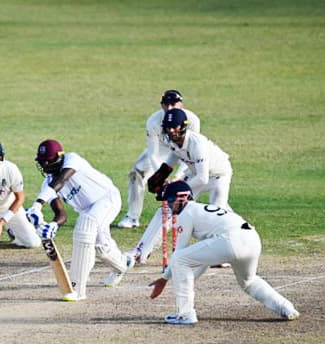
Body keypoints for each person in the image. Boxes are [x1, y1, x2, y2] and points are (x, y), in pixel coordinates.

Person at [147, 181, 300, 324]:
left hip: (230, 241)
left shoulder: (186, 213)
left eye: (169, 201)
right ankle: (286, 308)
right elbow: (203, 256)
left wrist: (164, 279)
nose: (168, 206)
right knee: (249, 281)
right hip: (252, 239)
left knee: (180, 259)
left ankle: (186, 314)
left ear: (178, 198)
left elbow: (179, 254)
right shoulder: (200, 210)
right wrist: (185, 277)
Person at [26, 139, 133, 302]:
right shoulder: (47, 184)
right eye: (42, 162)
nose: (45, 165)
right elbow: (61, 214)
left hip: (107, 198)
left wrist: (37, 204)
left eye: (47, 161)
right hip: (88, 210)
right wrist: (53, 225)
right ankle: (123, 264)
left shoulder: (72, 160)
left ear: (58, 158)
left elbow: (60, 181)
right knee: (101, 248)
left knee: (85, 226)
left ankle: (76, 288)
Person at [132, 108, 233, 264]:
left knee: (217, 214)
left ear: (184, 126)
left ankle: (222, 255)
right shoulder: (171, 140)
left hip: (218, 176)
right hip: (195, 174)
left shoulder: (197, 144)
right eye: (168, 127)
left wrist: (176, 188)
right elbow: (173, 157)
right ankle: (141, 251)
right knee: (167, 209)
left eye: (175, 127)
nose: (171, 130)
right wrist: (160, 176)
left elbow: (203, 178)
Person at [116, 90, 200, 229]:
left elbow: (192, 149)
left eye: (173, 104)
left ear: (182, 104)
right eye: (166, 104)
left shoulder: (192, 120)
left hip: (185, 151)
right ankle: (132, 217)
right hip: (163, 150)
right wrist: (160, 177)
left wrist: (178, 176)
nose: (169, 108)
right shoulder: (153, 121)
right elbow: (153, 153)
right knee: (136, 172)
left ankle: (188, 219)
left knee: (192, 180)